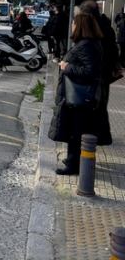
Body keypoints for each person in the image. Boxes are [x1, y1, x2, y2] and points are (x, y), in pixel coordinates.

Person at [48, 12, 103, 175]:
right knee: (74, 130)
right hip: (78, 96)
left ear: (80, 26)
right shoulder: (87, 43)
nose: (71, 26)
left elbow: (89, 71)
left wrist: (66, 67)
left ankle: (73, 165)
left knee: (76, 132)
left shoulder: (86, 45)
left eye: (73, 23)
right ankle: (73, 159)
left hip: (79, 97)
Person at [79, 0, 117, 146]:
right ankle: (103, 136)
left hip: (97, 72)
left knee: (95, 104)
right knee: (101, 104)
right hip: (104, 71)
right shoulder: (106, 25)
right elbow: (113, 50)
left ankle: (98, 136)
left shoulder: (95, 27)